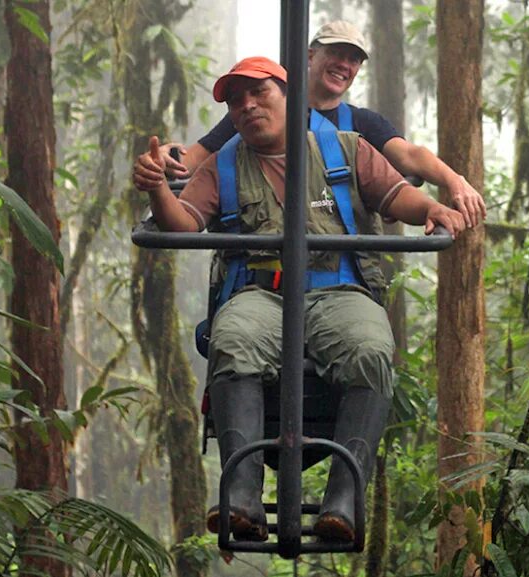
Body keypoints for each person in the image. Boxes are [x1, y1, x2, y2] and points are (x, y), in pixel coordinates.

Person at [134, 56, 465, 544]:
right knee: (233, 339)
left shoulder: (345, 150)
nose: (247, 107)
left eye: (258, 93)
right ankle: (241, 495)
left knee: (371, 347)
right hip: (261, 293)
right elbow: (183, 222)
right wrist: (159, 188)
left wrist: (434, 206)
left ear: (288, 95)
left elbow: (396, 195)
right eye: (235, 100)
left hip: (336, 290)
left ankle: (344, 498)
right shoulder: (225, 163)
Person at [148, 20, 486, 229]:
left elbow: (410, 156)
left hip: (337, 257)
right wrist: (164, 157)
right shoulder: (254, 115)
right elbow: (192, 159)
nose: (344, 64)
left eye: (353, 58)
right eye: (336, 53)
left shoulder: (360, 124)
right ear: (310, 56)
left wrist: (453, 182)